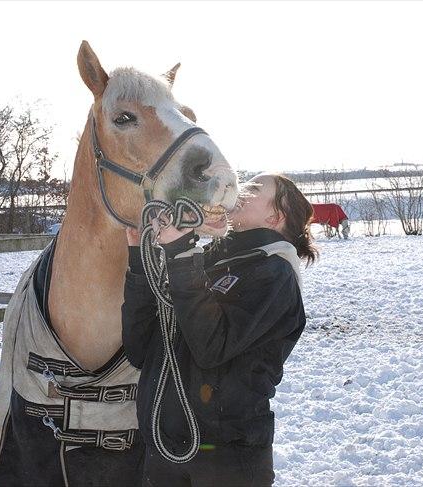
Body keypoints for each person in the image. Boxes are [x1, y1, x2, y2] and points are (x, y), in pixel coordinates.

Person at [122, 173, 317, 486]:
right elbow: (140, 349)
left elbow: (212, 347)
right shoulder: (209, 263)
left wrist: (183, 256)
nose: (238, 190)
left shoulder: (274, 273)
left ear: (275, 216)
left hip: (226, 460)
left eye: (252, 188)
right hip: (165, 451)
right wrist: (140, 263)